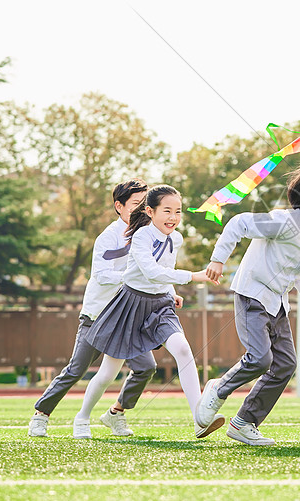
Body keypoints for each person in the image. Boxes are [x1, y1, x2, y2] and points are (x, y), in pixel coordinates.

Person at [195, 159, 300, 446]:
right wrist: (217, 259)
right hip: (252, 293)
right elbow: (238, 223)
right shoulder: (285, 221)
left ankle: (244, 423)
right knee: (260, 359)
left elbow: (294, 265)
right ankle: (217, 389)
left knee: (286, 364)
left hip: (277, 300)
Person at [80, 184, 225, 439]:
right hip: (129, 306)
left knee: (182, 349)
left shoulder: (176, 239)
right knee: (107, 374)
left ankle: (199, 419)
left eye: (178, 212)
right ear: (149, 211)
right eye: (167, 211)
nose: (173, 218)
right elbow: (151, 271)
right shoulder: (141, 236)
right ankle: (82, 417)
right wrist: (194, 276)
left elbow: (165, 270)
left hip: (159, 306)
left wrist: (171, 293)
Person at [29, 179, 157, 439]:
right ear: (119, 206)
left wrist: (170, 292)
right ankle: (41, 415)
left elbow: (155, 271)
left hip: (127, 318)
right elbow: (101, 274)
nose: (143, 210)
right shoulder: (108, 237)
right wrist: (130, 277)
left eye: (145, 204)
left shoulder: (149, 235)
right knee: (76, 369)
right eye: (136, 204)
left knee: (146, 366)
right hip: (97, 316)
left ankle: (116, 413)